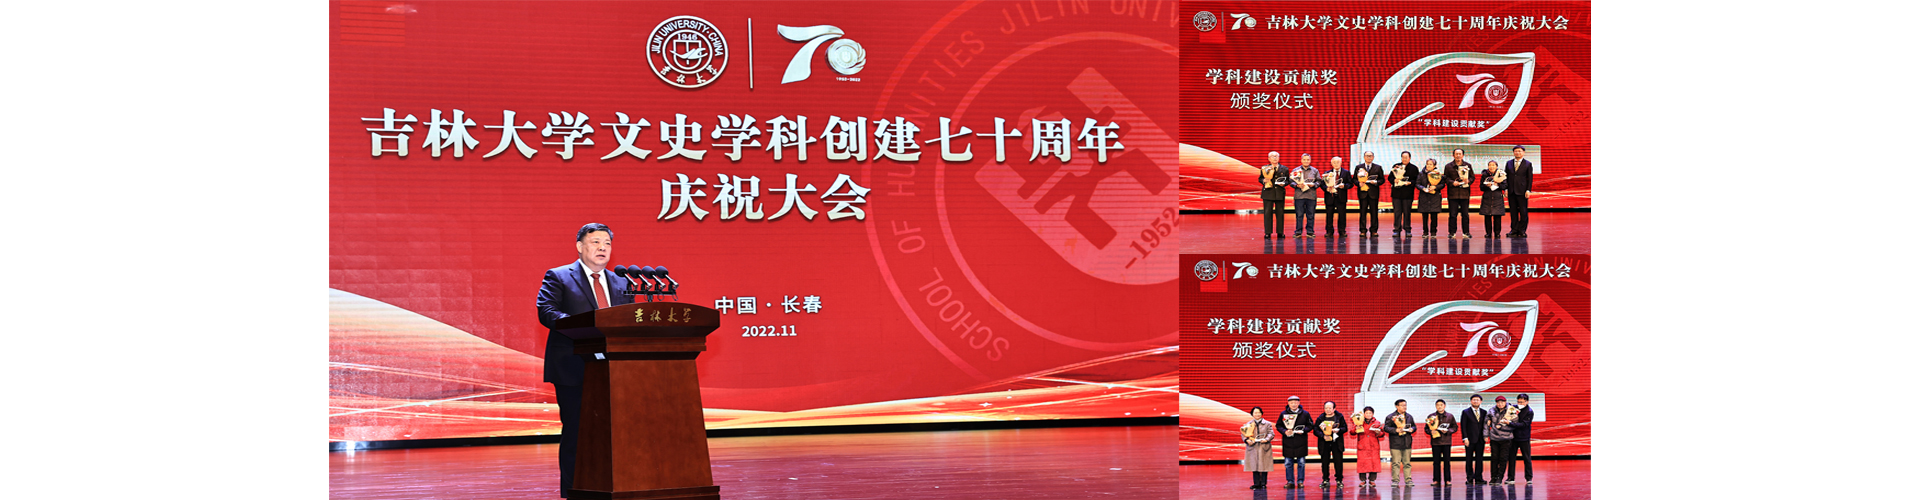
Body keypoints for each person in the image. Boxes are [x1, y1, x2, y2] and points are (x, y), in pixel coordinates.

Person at [535, 223, 636, 498]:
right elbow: (546, 311)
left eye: (607, 243)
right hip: (573, 367)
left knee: (616, 431)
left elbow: (629, 319)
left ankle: (616, 484)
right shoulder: (558, 276)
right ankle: (575, 489)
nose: (602, 248)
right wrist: (583, 325)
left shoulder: (622, 281)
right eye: (595, 242)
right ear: (580, 246)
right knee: (577, 431)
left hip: (616, 368)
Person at [1279, 395, 1313, 488]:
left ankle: (1300, 481)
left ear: (1299, 403)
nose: (1293, 404)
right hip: (1288, 442)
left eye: (1295, 402)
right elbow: (1279, 426)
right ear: (1288, 403)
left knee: (1301, 463)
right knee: (1288, 463)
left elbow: (1310, 425)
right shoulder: (1283, 414)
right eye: (1291, 403)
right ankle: (1290, 481)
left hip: (1301, 441)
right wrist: (1285, 431)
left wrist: (1303, 430)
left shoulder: (1305, 414)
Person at [1314, 401, 1348, 487]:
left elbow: (1345, 428)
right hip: (1324, 443)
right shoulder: (1320, 418)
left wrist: (1338, 430)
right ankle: (1325, 479)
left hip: (1337, 442)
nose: (1328, 410)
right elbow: (1315, 430)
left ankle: (1339, 480)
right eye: (1326, 408)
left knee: (1338, 462)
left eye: (1330, 408)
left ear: (1334, 409)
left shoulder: (1339, 417)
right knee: (1325, 462)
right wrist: (1323, 435)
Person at [1349, 406, 1385, 487]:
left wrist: (1378, 433)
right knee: (1362, 464)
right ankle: (1363, 480)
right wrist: (1356, 429)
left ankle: (1372, 480)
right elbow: (1351, 432)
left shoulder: (1377, 423)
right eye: (1367, 413)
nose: (1368, 414)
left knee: (1374, 464)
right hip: (1363, 446)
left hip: (1373, 446)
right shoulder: (1359, 421)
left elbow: (1382, 434)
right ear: (1364, 414)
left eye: (1370, 413)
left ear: (1373, 414)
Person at [1459, 394, 1491, 484]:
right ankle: (1469, 478)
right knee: (1469, 459)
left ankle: (1478, 478)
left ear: (1481, 401)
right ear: (1471, 401)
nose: (1476, 401)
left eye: (1477, 400)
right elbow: (1463, 426)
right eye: (1474, 400)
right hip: (1469, 440)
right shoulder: (1466, 412)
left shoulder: (1484, 412)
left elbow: (1485, 426)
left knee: (1479, 459)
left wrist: (1486, 435)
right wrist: (1465, 438)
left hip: (1480, 440)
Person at [1444, 149, 1475, 239]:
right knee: (1452, 215)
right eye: (1456, 154)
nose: (1458, 155)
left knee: (1465, 215)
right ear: (1453, 155)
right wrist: (1452, 182)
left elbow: (1472, 177)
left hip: (1464, 193)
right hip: (1453, 194)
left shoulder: (1468, 165)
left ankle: (1466, 232)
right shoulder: (1448, 166)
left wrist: (1468, 181)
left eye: (1460, 154)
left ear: (1463, 155)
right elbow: (1445, 178)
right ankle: (1452, 232)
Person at [1244, 406, 1276, 489]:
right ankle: (1256, 483)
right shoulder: (1248, 424)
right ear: (1252, 414)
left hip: (1264, 446)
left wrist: (1266, 439)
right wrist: (1247, 440)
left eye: (1259, 412)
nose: (1257, 414)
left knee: (1264, 466)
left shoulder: (1267, 424)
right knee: (1254, 466)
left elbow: (1271, 434)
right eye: (1255, 413)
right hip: (1253, 447)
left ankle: (1263, 483)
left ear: (1262, 414)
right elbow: (1244, 434)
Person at [1505, 146, 1534, 237]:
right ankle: (1514, 230)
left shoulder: (1528, 164)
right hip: (1511, 191)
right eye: (1516, 151)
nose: (1517, 152)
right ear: (1513, 152)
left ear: (1523, 152)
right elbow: (1506, 177)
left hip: (1522, 191)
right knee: (1513, 212)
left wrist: (1528, 190)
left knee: (1523, 211)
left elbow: (1530, 178)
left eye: (1519, 151)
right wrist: (1506, 188)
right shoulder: (1509, 163)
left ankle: (1522, 230)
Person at [1385, 399, 1416, 486]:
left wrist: (1412, 429)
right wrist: (1396, 430)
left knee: (1407, 463)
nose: (1404, 407)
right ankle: (1395, 480)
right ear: (1397, 406)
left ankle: (1408, 480)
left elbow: (1414, 426)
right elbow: (1386, 428)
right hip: (1396, 443)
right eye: (1402, 405)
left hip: (1407, 442)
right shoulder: (1391, 417)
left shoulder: (1409, 416)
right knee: (1396, 463)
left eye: (1405, 405)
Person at [1289, 155, 1322, 238]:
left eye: (1308, 159)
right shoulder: (1296, 170)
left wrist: (1314, 184)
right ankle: (1298, 232)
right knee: (1299, 215)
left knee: (1310, 215)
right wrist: (1296, 185)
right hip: (1299, 196)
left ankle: (1310, 232)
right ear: (1301, 160)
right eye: (1304, 159)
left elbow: (1319, 181)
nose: (1306, 161)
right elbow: (1291, 181)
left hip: (1311, 196)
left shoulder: (1315, 170)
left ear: (1310, 160)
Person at [1426, 399, 1457, 486]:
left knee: (1447, 462)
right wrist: (1431, 432)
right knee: (1436, 462)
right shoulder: (1431, 416)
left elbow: (1455, 427)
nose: (1439, 406)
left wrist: (1448, 431)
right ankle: (1436, 480)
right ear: (1436, 406)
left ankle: (1448, 480)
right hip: (1435, 442)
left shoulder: (1450, 416)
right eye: (1438, 405)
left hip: (1446, 442)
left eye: (1441, 405)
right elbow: (1426, 429)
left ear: (1444, 406)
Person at [1486, 396, 1516, 485]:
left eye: (1502, 402)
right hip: (1494, 438)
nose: (1500, 404)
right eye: (1498, 402)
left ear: (1505, 402)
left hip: (1506, 438)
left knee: (1503, 458)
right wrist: (1485, 435)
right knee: (1494, 458)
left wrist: (1502, 427)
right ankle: (1493, 477)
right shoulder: (1491, 410)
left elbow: (1514, 424)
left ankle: (1500, 477)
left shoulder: (1511, 410)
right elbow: (1486, 423)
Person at [1354, 151, 1385, 237]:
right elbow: (1354, 179)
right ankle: (1363, 230)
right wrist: (1358, 183)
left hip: (1373, 193)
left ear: (1373, 157)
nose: (1369, 157)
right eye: (1367, 156)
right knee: (1362, 213)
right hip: (1363, 193)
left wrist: (1376, 182)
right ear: (1364, 157)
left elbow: (1382, 180)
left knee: (1374, 213)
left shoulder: (1378, 167)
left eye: (1370, 156)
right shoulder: (1358, 167)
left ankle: (1374, 230)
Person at [1507, 393, 1536, 484]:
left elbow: (1524, 424)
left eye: (1522, 402)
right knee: (1511, 458)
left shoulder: (1529, 411)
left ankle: (1529, 478)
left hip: (1524, 438)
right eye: (1519, 402)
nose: (1520, 404)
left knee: (1527, 458)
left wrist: (1510, 424)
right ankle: (1511, 478)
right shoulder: (1514, 408)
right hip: (1513, 437)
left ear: (1527, 402)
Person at [1258, 151, 1286, 240]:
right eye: (1272, 156)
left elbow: (1288, 180)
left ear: (1279, 158)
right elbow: (1260, 178)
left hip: (1279, 193)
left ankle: (1280, 232)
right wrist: (1263, 181)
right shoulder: (1264, 168)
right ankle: (1268, 232)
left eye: (1276, 156)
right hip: (1268, 193)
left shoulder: (1284, 169)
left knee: (1280, 213)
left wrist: (1284, 183)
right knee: (1267, 213)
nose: (1274, 158)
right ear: (1269, 159)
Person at [1389, 151, 1417, 237]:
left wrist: (1410, 183)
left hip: (1407, 194)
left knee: (1407, 212)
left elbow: (1416, 180)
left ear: (1410, 158)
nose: (1404, 159)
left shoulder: (1414, 168)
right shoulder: (1396, 166)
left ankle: (1407, 229)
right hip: (1396, 194)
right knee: (1397, 213)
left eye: (1406, 157)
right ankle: (1397, 230)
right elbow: (1390, 178)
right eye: (1403, 157)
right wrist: (1394, 180)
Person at [1323, 157, 1353, 238]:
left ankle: (1342, 231)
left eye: (1338, 162)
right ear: (1331, 164)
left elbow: (1350, 184)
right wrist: (1326, 188)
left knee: (1342, 215)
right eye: (1334, 162)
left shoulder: (1346, 172)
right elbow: (1322, 184)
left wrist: (1344, 186)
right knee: (1329, 215)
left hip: (1341, 197)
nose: (1336, 164)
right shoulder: (1327, 173)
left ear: (1341, 163)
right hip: (1330, 197)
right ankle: (1329, 231)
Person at [1479, 161, 1507, 240]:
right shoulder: (1484, 175)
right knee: (1487, 216)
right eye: (1490, 165)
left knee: (1497, 217)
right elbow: (1481, 187)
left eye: (1493, 165)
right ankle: (1488, 233)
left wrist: (1497, 184)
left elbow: (1505, 186)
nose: (1491, 167)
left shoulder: (1501, 174)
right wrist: (1486, 185)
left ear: (1496, 166)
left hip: (1497, 197)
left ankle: (1497, 233)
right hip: (1487, 197)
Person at [1416, 159, 1443, 238]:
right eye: (1427, 164)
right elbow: (1417, 184)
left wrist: (1435, 187)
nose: (1429, 166)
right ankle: (1425, 232)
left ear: (1434, 166)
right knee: (1424, 216)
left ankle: (1433, 232)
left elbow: (1442, 184)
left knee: (1434, 216)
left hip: (1435, 197)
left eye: (1431, 164)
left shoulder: (1438, 174)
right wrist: (1423, 188)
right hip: (1424, 196)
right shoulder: (1421, 174)